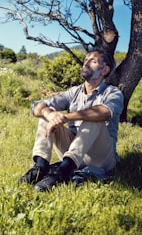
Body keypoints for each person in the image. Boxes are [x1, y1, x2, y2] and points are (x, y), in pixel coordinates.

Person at [18, 48, 124, 192]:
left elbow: (104, 112)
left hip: (100, 157)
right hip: (72, 152)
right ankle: (40, 169)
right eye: (85, 60)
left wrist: (65, 117)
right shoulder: (74, 92)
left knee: (93, 119)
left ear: (104, 70)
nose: (85, 64)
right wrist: (49, 114)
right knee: (46, 116)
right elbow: (37, 106)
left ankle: (60, 174)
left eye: (92, 61)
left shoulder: (113, 93)